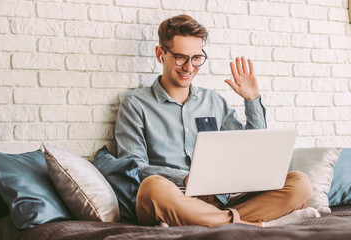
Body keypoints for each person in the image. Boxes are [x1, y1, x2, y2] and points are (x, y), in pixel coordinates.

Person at [115, 14, 319, 227]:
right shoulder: (135, 104)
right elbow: (134, 166)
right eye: (180, 57)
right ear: (160, 53)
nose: (189, 67)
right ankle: (258, 225)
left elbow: (253, 151)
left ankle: (214, 221)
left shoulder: (213, 101)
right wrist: (186, 179)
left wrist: (252, 100)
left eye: (196, 58)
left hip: (219, 202)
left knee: (300, 184)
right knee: (152, 188)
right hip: (172, 199)